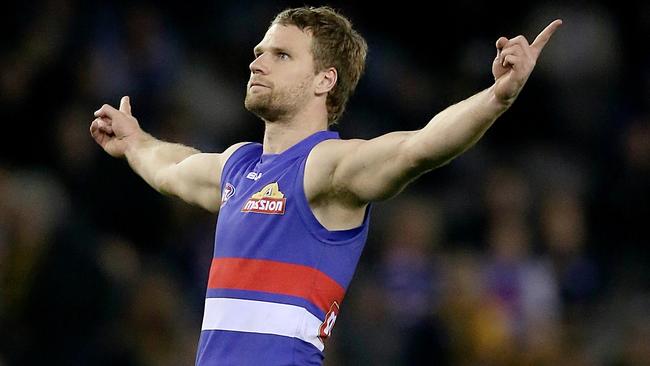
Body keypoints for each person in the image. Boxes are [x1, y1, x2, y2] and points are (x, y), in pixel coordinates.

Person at [89, 6, 562, 366]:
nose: (257, 62)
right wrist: (134, 142)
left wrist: (496, 97)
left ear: (324, 80)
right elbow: (173, 167)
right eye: (258, 52)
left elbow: (417, 147)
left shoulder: (324, 168)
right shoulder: (239, 167)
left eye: (280, 54)